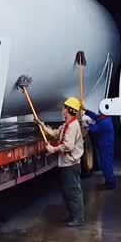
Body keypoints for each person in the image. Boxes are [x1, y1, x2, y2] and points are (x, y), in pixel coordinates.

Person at [37, 97, 86, 227]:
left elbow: (68, 146)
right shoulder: (66, 125)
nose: (62, 110)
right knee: (67, 191)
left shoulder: (73, 126)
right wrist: (42, 125)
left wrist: (53, 149)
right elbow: (55, 133)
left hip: (71, 164)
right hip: (66, 163)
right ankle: (72, 214)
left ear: (68, 110)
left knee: (73, 191)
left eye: (64, 108)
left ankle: (78, 217)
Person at [83, 110, 117, 190]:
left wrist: (87, 126)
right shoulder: (105, 118)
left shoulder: (105, 122)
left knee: (106, 165)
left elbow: (94, 129)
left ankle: (110, 184)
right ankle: (109, 182)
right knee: (106, 164)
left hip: (106, 147)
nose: (99, 113)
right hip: (105, 146)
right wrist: (86, 111)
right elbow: (95, 116)